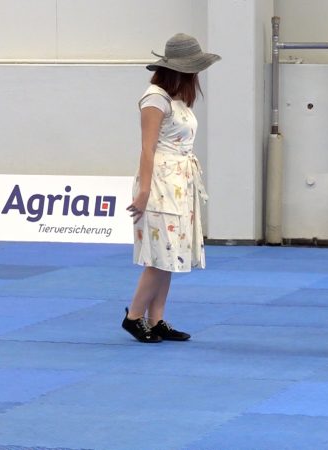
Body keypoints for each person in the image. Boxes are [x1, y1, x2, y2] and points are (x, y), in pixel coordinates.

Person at [122, 33, 220, 343]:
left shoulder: (174, 99)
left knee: (170, 255)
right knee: (158, 257)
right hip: (160, 185)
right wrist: (144, 191)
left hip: (178, 183)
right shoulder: (154, 99)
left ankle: (157, 318)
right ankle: (134, 317)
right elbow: (147, 148)